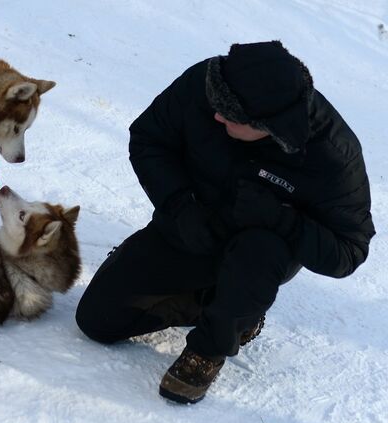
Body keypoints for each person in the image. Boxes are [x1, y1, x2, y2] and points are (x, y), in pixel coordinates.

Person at [75, 41, 375, 404]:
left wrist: (281, 219)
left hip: (258, 255)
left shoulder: (333, 156)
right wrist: (179, 205)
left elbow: (349, 251)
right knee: (97, 321)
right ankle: (225, 307)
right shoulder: (210, 82)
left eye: (229, 115)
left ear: (269, 126)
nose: (216, 116)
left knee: (260, 250)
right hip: (190, 227)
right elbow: (149, 139)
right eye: (216, 106)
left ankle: (214, 343)